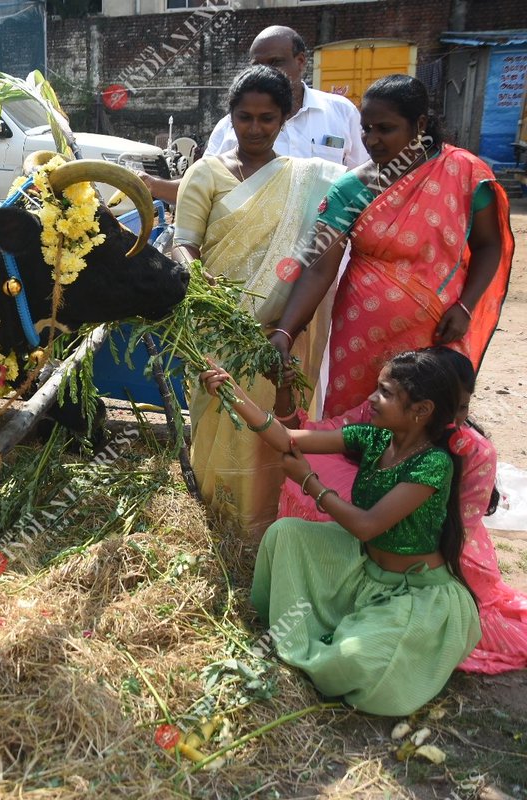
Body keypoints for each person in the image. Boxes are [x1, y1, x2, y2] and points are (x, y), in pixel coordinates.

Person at [202, 349, 480, 716]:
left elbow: (367, 525)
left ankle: (347, 640)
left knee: (351, 663)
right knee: (287, 534)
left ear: (421, 410)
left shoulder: (433, 464)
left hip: (413, 594)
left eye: (385, 392)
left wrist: (309, 483)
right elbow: (286, 438)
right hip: (363, 567)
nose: (371, 399)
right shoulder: (375, 439)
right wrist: (232, 392)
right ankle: (320, 629)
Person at [270, 74, 514, 419]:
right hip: (359, 335)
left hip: (437, 330)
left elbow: (489, 245)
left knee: (426, 426)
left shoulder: (463, 173)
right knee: (356, 428)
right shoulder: (351, 189)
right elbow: (319, 266)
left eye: (385, 128)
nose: (371, 140)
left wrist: (467, 306)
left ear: (420, 124)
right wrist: (286, 329)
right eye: (366, 129)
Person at [275, 346, 527, 675]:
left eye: (461, 407)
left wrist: (313, 485)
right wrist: (267, 390)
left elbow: (440, 528)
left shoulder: (462, 456)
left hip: (427, 560)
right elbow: (299, 436)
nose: (452, 421)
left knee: (363, 649)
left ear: (424, 408)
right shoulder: (378, 421)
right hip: (376, 539)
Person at [173, 64, 345, 535]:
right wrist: (204, 289)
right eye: (244, 117)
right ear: (230, 117)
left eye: (267, 118)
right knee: (218, 415)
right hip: (215, 323)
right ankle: (219, 522)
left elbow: (322, 253)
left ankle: (269, 525)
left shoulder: (309, 180)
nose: (255, 128)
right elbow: (183, 242)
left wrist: (286, 326)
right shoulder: (204, 173)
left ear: (284, 120)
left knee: (271, 424)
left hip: (279, 331)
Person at [143, 26, 365, 204]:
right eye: (257, 65)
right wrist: (150, 184)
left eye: (275, 62)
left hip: (329, 252)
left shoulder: (341, 112)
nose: (266, 72)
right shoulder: (231, 126)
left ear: (300, 61)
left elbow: (366, 181)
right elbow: (199, 187)